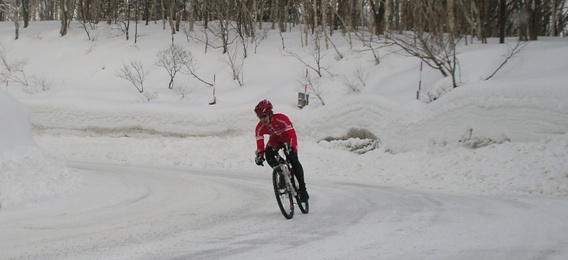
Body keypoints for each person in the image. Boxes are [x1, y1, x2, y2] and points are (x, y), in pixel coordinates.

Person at [253, 99, 309, 202]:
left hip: (288, 139)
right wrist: (260, 156)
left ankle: (302, 188)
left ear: (270, 114)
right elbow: (260, 144)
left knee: (293, 159)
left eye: (264, 115)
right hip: (275, 140)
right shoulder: (259, 127)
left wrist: (292, 148)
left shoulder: (281, 119)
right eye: (260, 116)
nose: (262, 119)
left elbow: (292, 134)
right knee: (268, 155)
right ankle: (282, 174)